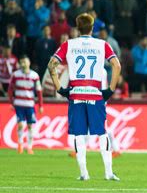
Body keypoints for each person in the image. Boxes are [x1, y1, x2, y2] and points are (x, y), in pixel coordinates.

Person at [48, 13, 121, 181]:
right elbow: (116, 65)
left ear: (77, 28)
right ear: (92, 27)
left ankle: (84, 173)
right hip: (95, 94)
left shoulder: (69, 44)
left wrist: (60, 88)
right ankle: (108, 173)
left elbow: (52, 64)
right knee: (102, 133)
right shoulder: (102, 44)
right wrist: (110, 89)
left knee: (79, 135)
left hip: (76, 94)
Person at [8, 55, 43, 154]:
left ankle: (30, 146)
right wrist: (11, 102)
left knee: (30, 126)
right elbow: (10, 89)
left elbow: (39, 91)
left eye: (25, 62)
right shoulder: (15, 75)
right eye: (21, 62)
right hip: (19, 104)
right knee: (20, 125)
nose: (23, 64)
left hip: (30, 104)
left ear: (29, 63)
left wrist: (40, 105)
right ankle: (20, 144)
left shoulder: (35, 76)